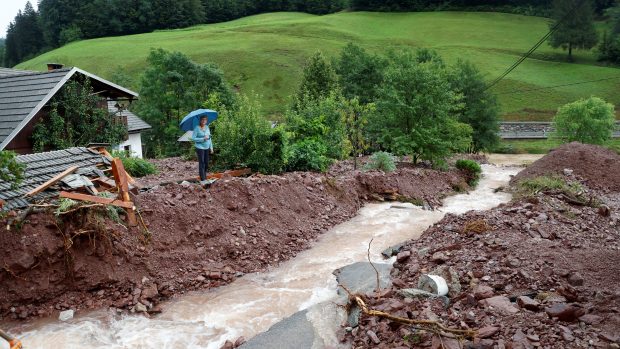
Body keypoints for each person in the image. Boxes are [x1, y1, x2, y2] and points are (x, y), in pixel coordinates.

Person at [192, 116, 214, 185]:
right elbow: (193, 138)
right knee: (202, 163)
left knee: (206, 163)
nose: (204, 121)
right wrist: (202, 139)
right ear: (200, 120)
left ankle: (204, 176)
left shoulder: (207, 127)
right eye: (202, 119)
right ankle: (203, 179)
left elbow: (209, 138)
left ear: (206, 121)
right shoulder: (196, 128)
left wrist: (211, 147)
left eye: (205, 120)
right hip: (199, 147)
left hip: (207, 147)